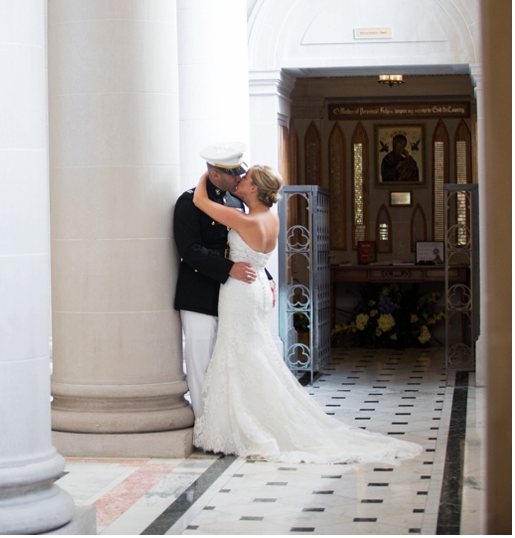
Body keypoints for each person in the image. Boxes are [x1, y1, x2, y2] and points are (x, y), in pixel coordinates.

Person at [190, 164, 423, 463]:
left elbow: (199, 201)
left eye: (245, 178)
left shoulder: (243, 220)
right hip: (258, 284)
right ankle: (253, 417)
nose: (239, 179)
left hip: (242, 292)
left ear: (254, 189)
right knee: (252, 354)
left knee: (239, 354)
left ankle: (248, 425)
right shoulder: (270, 218)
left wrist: (207, 172)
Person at [173, 142, 274, 418]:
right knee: (201, 363)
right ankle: (204, 423)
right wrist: (228, 268)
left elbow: (247, 244)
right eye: (233, 174)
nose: (239, 177)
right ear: (215, 175)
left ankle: (226, 421)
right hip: (199, 293)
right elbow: (189, 250)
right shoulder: (189, 202)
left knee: (227, 364)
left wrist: (266, 276)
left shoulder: (235, 201)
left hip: (231, 294)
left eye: (241, 172)